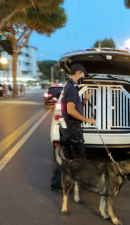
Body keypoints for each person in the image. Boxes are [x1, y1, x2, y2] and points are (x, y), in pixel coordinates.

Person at [50, 63, 96, 192]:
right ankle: (82, 183)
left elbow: (72, 106)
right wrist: (88, 120)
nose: (83, 77)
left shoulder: (70, 86)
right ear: (77, 73)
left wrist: (84, 101)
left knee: (67, 158)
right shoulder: (71, 88)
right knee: (79, 157)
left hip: (67, 127)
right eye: (83, 74)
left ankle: (58, 183)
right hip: (71, 128)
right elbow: (70, 110)